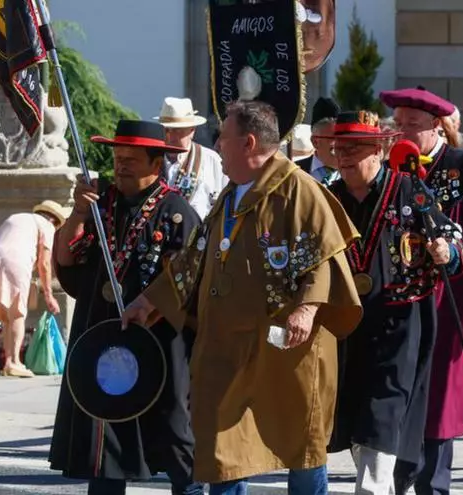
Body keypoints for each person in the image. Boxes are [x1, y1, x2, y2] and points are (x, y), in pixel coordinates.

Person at [121, 102, 363, 494]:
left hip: (284, 344)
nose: (216, 145)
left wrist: (306, 309)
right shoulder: (230, 195)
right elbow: (193, 258)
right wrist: (148, 301)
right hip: (227, 346)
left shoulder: (299, 190)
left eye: (223, 137)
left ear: (248, 143)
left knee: (300, 444)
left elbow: (325, 258)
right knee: (223, 449)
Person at [48, 120, 203, 494]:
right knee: (104, 437)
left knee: (175, 434)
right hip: (103, 335)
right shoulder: (100, 205)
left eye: (131, 159)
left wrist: (150, 306)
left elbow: (189, 280)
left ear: (156, 163)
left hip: (159, 343)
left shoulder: (177, 212)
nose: (121, 166)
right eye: (118, 158)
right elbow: (67, 261)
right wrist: (77, 214)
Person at [323, 110, 463, 495]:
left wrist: (446, 251)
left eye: (354, 148)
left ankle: (370, 490)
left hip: (398, 322)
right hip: (345, 326)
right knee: (355, 417)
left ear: (378, 150)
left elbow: (452, 239)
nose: (344, 156)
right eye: (338, 149)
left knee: (382, 411)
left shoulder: (409, 191)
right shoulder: (329, 199)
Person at [381, 87, 463, 494]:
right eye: (398, 124)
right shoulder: (389, 168)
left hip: (449, 301)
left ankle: (433, 484)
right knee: (398, 387)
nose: (402, 132)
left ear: (436, 125)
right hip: (398, 300)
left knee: (440, 395)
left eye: (412, 125)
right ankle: (402, 472)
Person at [0, 201, 67, 377]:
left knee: (6, 317)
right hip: (15, 262)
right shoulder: (47, 226)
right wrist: (49, 295)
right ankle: (14, 362)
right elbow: (44, 264)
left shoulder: (18, 217)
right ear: (55, 221)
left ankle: (8, 362)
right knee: (18, 314)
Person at [155, 97, 227, 218]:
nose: (170, 137)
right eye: (166, 130)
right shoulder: (151, 159)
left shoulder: (212, 160)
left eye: (177, 130)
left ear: (192, 130)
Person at [299, 97, 342, 185]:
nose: (341, 145)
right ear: (315, 142)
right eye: (334, 138)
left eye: (342, 138)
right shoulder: (296, 172)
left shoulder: (354, 172)